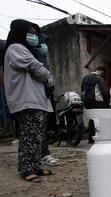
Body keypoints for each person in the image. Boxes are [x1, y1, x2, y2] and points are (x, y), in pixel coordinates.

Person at [3, 19, 55, 182]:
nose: (33, 36)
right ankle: (26, 169)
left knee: (37, 136)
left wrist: (45, 76)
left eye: (35, 34)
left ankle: (34, 166)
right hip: (27, 99)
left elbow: (42, 72)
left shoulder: (29, 50)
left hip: (35, 99)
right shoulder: (16, 48)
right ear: (19, 32)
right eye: (29, 33)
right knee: (30, 136)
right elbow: (36, 67)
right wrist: (47, 76)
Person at [34, 31, 59, 167]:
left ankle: (44, 153)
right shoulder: (34, 55)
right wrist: (47, 76)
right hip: (38, 96)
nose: (45, 46)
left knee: (43, 126)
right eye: (43, 43)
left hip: (46, 95)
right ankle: (41, 155)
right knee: (37, 128)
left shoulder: (42, 56)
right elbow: (41, 73)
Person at [81, 66, 110, 143]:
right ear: (101, 72)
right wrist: (108, 97)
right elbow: (104, 92)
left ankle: (91, 138)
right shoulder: (99, 79)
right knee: (100, 119)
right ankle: (100, 137)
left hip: (87, 103)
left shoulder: (84, 78)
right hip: (98, 103)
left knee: (92, 120)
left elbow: (82, 90)